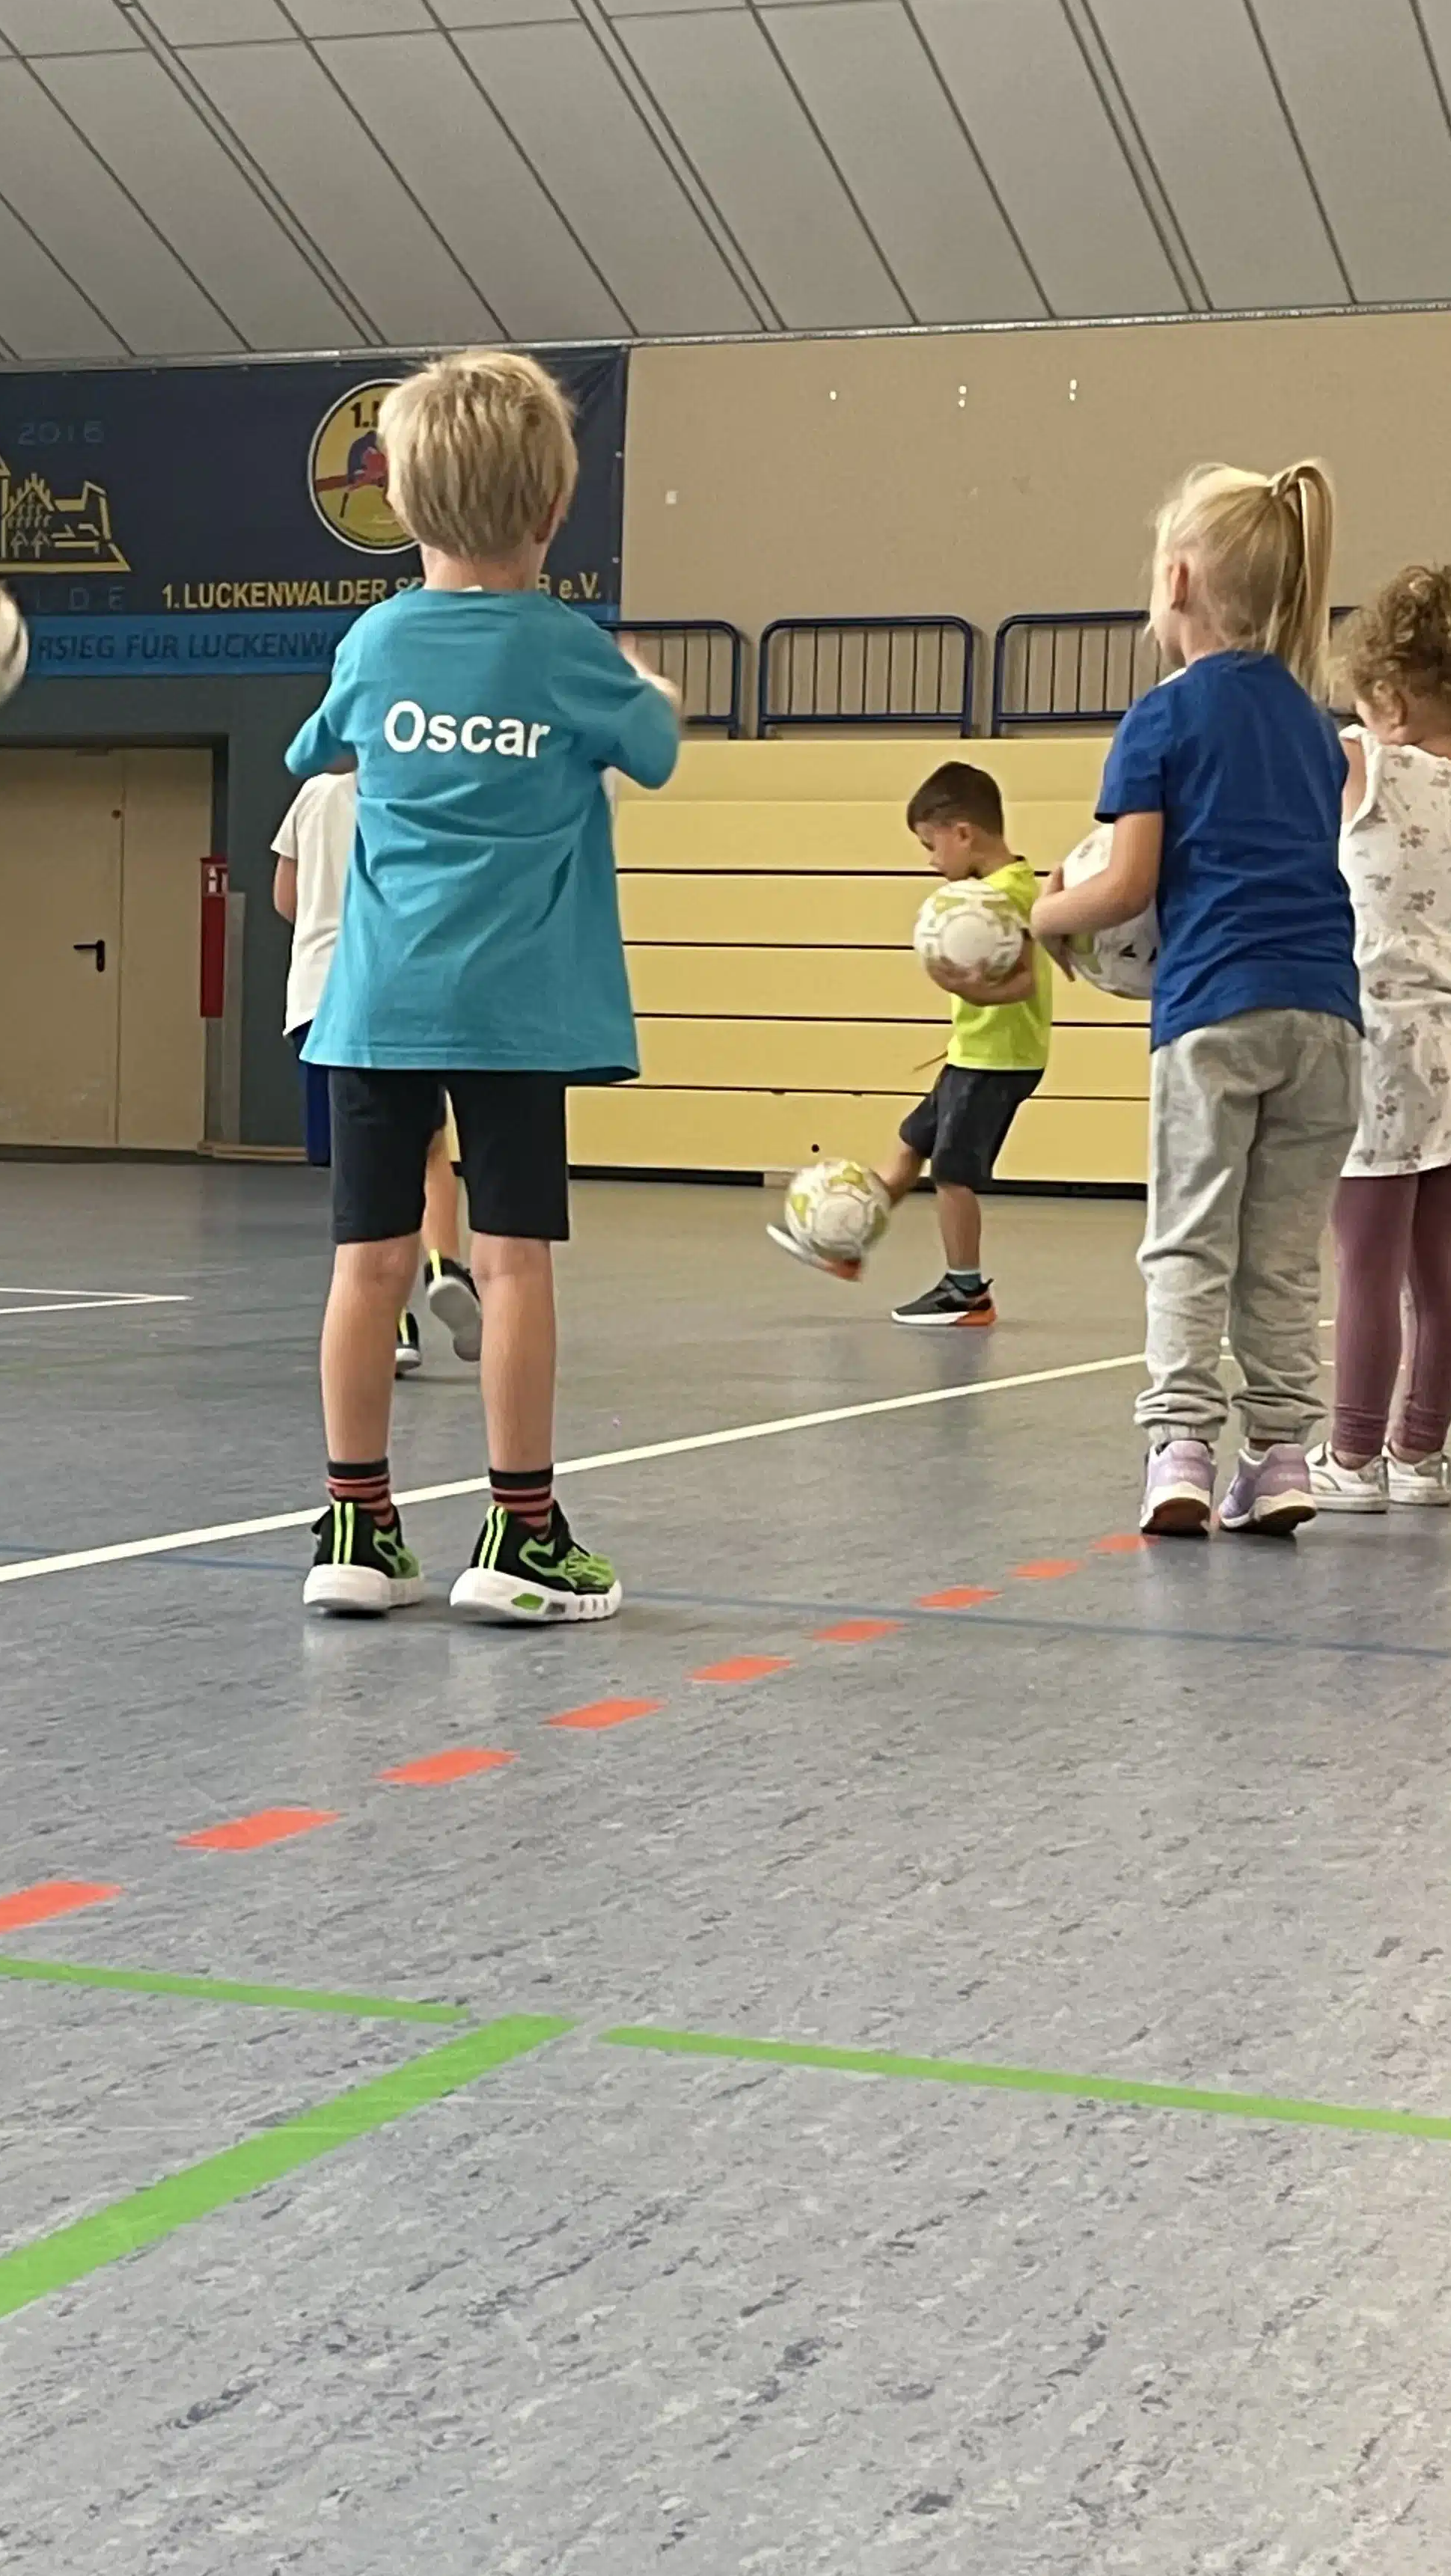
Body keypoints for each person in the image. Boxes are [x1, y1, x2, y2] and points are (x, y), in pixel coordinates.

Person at [284, 349, 680, 1622]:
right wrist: (643, 690)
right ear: (553, 508)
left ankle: (355, 1526)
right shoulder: (568, 652)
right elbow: (657, 748)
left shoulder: (374, 640)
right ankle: (521, 1537)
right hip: (510, 1014)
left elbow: (313, 746)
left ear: (401, 502)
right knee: (508, 1265)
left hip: (375, 1008)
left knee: (367, 1266)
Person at [1030, 460, 1359, 1537]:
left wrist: (1043, 913)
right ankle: (1281, 1456)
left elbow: (1128, 888)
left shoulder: (1161, 719)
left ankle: (1178, 1446)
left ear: (1175, 580)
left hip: (1213, 1010)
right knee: (1283, 1254)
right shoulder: (1316, 727)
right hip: (1328, 1018)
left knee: (1189, 1239)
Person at [1305, 567, 1451, 1514]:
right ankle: (1421, 1453)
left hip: (1382, 1040)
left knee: (1364, 1264)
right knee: (1438, 1272)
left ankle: (1353, 1456)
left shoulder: (1365, 764)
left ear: (1390, 701)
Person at [767, 759, 1048, 1323]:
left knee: (953, 1173)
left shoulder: (1006, 896)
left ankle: (967, 1291)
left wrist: (968, 988)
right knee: (909, 1146)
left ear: (962, 833)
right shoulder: (986, 892)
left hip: (999, 1059)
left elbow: (1025, 983)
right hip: (972, 1054)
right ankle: (847, 1244)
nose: (930, 860)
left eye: (930, 845)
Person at [272, 768, 480, 1376]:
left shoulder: (314, 796)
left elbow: (286, 898)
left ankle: (392, 1322)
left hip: (317, 999)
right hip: (393, 991)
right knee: (429, 1147)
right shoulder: (418, 794)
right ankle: (443, 1264)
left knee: (360, 1170)